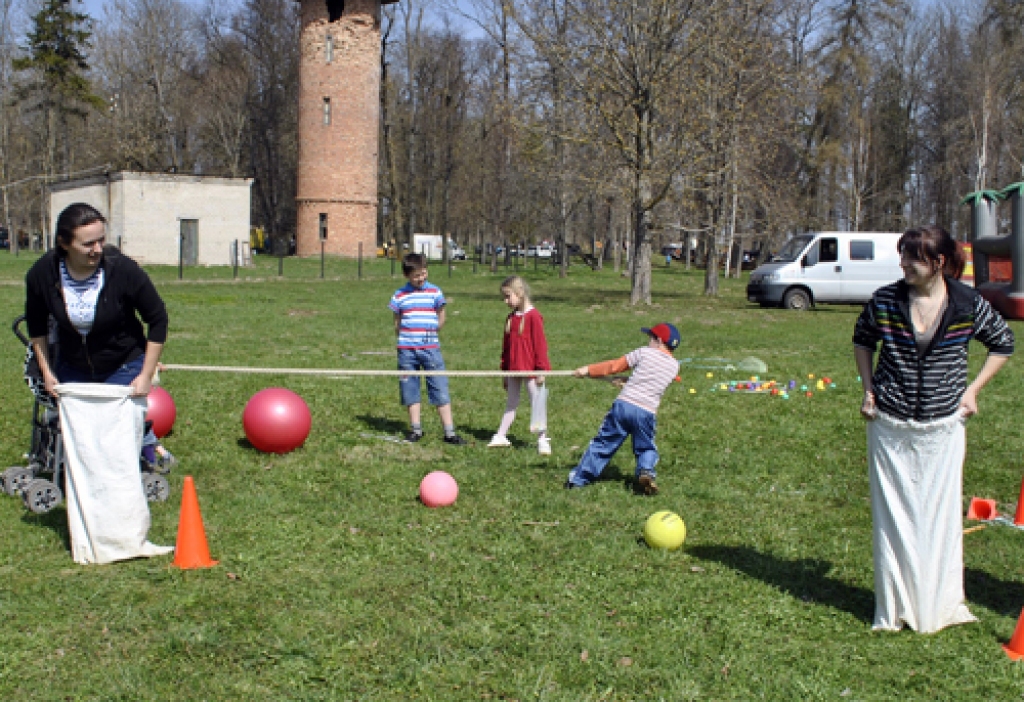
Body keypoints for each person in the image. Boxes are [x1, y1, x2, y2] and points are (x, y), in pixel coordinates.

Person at [853, 225, 1014, 633]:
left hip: (943, 425)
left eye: (913, 257)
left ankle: (936, 604)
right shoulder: (886, 300)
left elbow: (1002, 343)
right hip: (890, 423)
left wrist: (972, 391)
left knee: (938, 518)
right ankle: (894, 607)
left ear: (938, 263)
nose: (903, 263)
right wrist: (869, 390)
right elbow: (862, 340)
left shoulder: (967, 303)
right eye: (902, 255)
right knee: (894, 519)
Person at [24, 202, 173, 465]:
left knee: (115, 439)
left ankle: (130, 481)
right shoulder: (42, 274)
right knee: (82, 441)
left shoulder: (122, 269)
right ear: (64, 243)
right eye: (88, 244)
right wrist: (47, 374)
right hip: (73, 366)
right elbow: (36, 327)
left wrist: (146, 375)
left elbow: (157, 319)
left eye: (101, 240)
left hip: (123, 363)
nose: (97, 250)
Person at [565, 323, 682, 495]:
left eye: (650, 338)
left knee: (604, 443)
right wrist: (628, 381)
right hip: (646, 412)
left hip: (624, 406)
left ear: (658, 340)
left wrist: (588, 370)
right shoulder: (674, 367)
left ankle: (578, 480)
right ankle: (646, 471)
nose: (648, 342)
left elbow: (614, 366)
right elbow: (651, 380)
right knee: (646, 447)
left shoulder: (644, 352)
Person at [389, 252, 466, 444]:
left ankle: (449, 432)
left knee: (439, 388)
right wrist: (404, 339)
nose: (421, 278)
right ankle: (416, 430)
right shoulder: (399, 295)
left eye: (423, 273)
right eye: (416, 276)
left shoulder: (435, 292)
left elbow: (442, 316)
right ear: (407, 275)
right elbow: (397, 322)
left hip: (430, 349)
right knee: (409, 389)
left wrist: (433, 332)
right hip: (407, 350)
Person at [488, 276, 552, 454]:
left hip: (531, 370)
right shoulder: (510, 318)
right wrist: (504, 372)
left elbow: (540, 345)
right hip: (513, 370)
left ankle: (542, 439)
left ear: (520, 293)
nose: (505, 300)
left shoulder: (534, 317)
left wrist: (541, 369)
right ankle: (501, 435)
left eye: (508, 296)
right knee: (511, 402)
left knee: (537, 403)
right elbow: (506, 348)